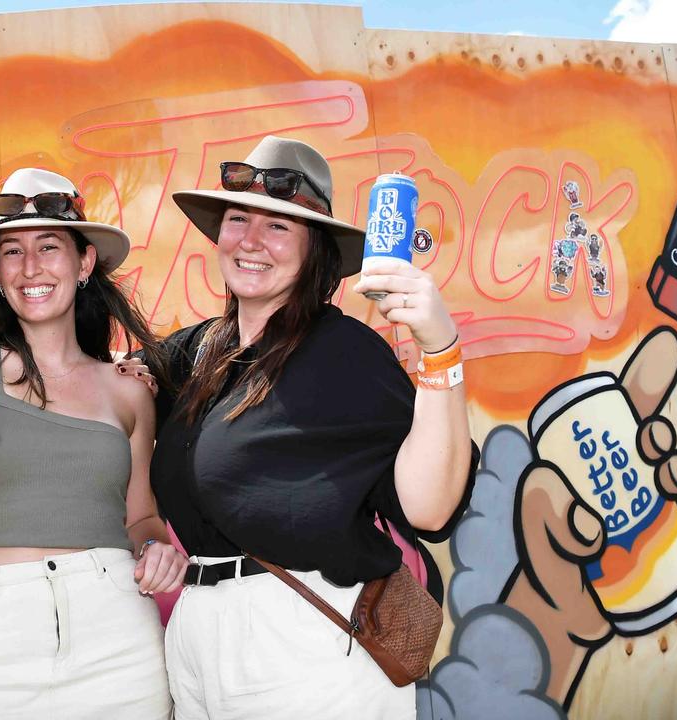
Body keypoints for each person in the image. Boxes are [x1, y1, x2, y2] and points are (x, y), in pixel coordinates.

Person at [148, 136, 478, 719]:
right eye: (238, 218)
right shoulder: (196, 353)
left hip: (305, 639)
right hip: (197, 637)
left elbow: (430, 510)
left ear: (314, 250)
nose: (251, 241)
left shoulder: (346, 352)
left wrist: (440, 350)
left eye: (278, 227)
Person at [0, 168, 184, 719]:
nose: (31, 267)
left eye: (49, 246)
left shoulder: (130, 390)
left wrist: (156, 550)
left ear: (84, 263)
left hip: (115, 632)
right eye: (12, 250)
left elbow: (141, 518)